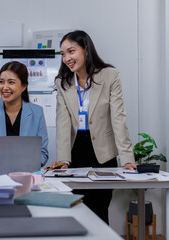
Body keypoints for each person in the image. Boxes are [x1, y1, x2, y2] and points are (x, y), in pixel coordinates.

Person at [54, 30, 137, 224]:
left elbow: (118, 118)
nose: (66, 58)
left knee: (100, 208)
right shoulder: (62, 82)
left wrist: (126, 158)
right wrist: (63, 160)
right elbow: (63, 123)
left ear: (85, 49)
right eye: (63, 54)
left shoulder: (110, 75)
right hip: (76, 151)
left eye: (71, 51)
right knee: (77, 208)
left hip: (104, 153)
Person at [0, 61, 49, 167]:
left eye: (11, 82)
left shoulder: (37, 112)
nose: (5, 87)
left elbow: (43, 155)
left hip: (25, 174)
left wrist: (20, 166)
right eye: (1, 82)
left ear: (23, 86)